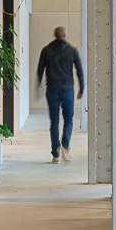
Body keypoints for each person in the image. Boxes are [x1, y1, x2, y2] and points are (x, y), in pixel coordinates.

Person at [36, 25, 85, 163]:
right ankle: (65, 146)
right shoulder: (72, 50)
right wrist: (82, 88)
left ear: (54, 35)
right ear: (65, 35)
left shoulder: (46, 50)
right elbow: (79, 70)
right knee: (68, 119)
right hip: (67, 89)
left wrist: (38, 87)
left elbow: (40, 70)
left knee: (54, 122)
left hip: (52, 90)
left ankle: (55, 155)